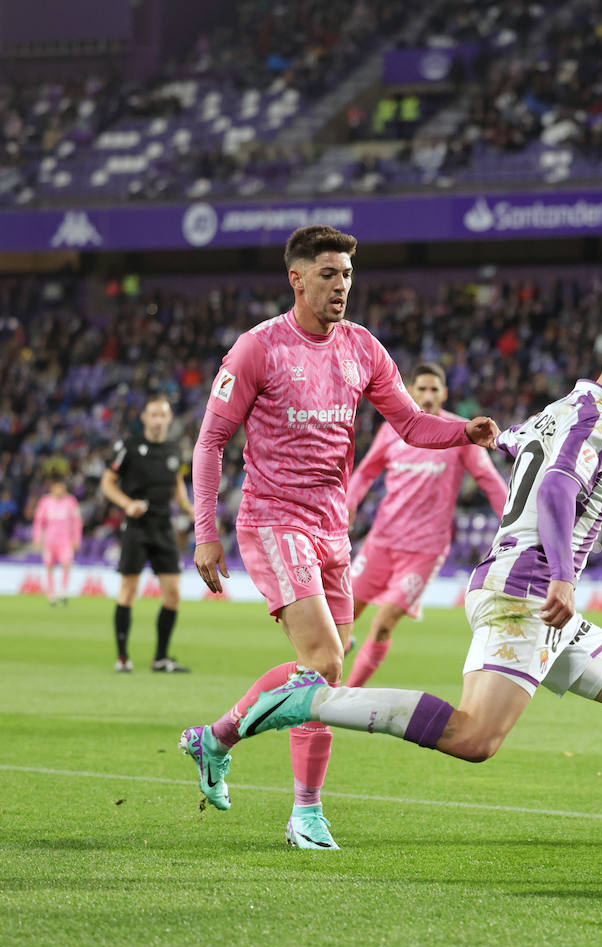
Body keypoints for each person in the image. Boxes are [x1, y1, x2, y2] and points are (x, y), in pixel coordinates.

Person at [179, 334, 602, 884]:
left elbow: (525, 447)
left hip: (532, 596)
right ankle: (312, 701)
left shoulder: (560, 409)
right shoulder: (597, 422)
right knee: (474, 736)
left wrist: (498, 438)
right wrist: (565, 576)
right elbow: (560, 484)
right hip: (528, 595)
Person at [182, 224, 498, 850]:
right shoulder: (256, 349)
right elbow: (211, 440)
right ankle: (294, 802)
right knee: (325, 662)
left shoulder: (363, 348)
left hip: (333, 532)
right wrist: (205, 532)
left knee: (320, 682)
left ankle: (232, 751)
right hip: (274, 522)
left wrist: (465, 431)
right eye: (329, 274)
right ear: (296, 279)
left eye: (347, 275)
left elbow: (409, 423)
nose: (341, 287)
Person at [344, 362, 509, 688]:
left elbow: (489, 480)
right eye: (422, 388)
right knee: (343, 616)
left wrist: (514, 521)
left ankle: (345, 695)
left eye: (435, 389)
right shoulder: (392, 429)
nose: (428, 395)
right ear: (410, 391)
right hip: (382, 542)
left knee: (384, 623)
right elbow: (365, 471)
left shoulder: (460, 433)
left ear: (444, 394)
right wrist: (349, 502)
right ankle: (336, 654)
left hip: (424, 550)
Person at [101, 393, 194, 673]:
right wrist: (127, 504)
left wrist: (188, 507)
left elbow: (177, 482)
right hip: (137, 527)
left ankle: (161, 657)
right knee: (128, 590)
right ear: (144, 418)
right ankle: (122, 657)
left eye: (162, 415)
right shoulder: (129, 446)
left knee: (173, 593)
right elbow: (107, 482)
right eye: (152, 414)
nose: (157, 420)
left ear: (168, 418)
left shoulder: (173, 450)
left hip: (163, 526)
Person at [32, 469, 82, 606]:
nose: (60, 490)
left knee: (66, 564)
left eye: (62, 488)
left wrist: (77, 539)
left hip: (65, 541)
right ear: (53, 488)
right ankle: (51, 593)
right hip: (49, 541)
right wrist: (37, 539)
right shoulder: (45, 502)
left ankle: (63, 592)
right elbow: (38, 522)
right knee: (49, 566)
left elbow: (77, 522)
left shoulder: (71, 501)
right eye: (58, 487)